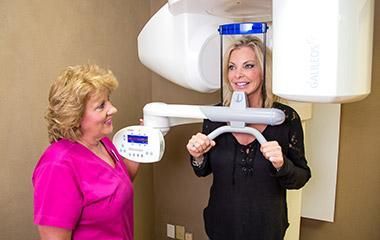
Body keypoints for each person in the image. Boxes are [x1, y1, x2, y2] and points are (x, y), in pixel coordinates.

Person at [186, 36, 311, 240]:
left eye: (248, 66)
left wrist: (281, 164)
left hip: (267, 229)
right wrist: (197, 155)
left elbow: (301, 178)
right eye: (232, 67)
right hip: (221, 226)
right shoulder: (215, 116)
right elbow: (203, 170)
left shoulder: (285, 118)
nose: (238, 75)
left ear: (264, 71)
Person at [32, 64, 139, 240]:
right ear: (75, 116)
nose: (113, 109)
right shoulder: (58, 165)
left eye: (109, 100)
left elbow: (118, 185)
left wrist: (142, 147)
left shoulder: (102, 142)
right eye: (101, 105)